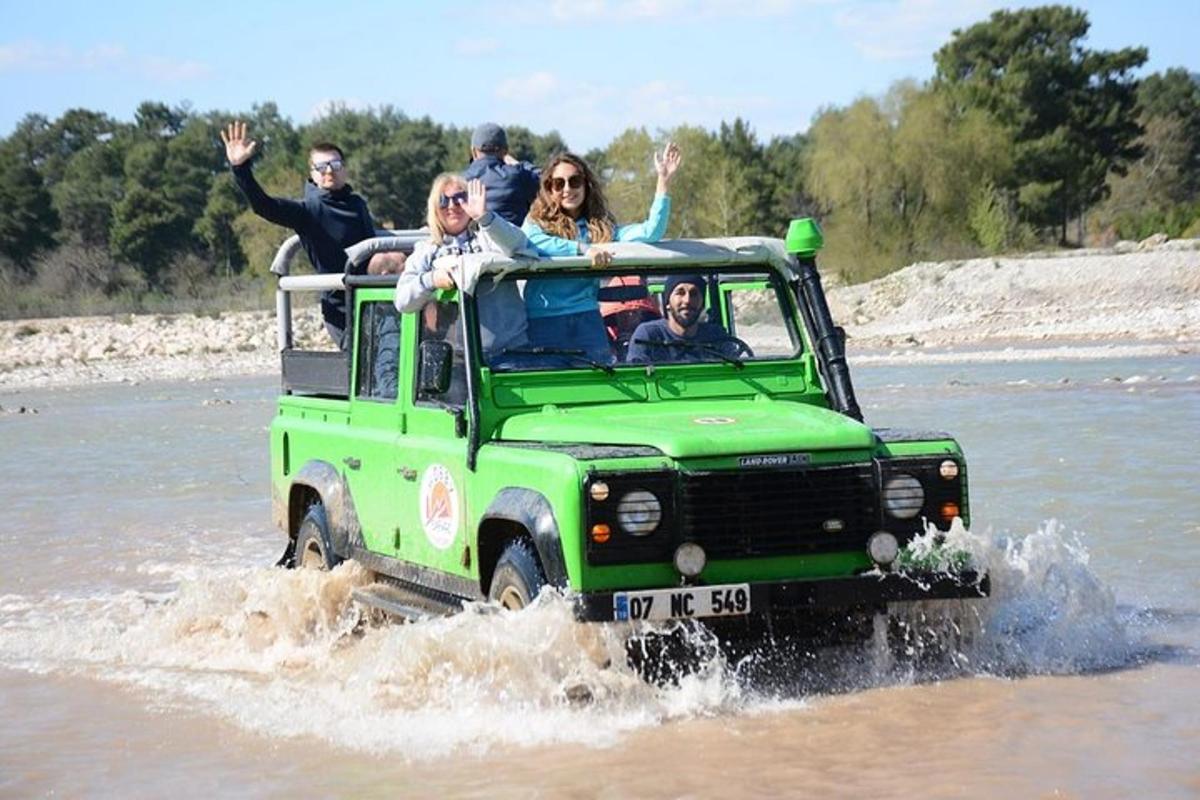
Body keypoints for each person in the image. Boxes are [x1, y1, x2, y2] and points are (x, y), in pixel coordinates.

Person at [521, 144, 682, 363]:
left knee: (602, 383)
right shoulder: (536, 222)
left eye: (575, 181)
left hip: (586, 316)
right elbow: (532, 243)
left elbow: (651, 231)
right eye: (559, 184)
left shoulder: (601, 229)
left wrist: (663, 183)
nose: (567, 189)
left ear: (586, 185)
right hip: (544, 318)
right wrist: (583, 249)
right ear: (549, 189)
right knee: (549, 387)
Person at [221, 121, 376, 348]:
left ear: (345, 168)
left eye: (335, 164)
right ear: (312, 174)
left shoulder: (357, 203)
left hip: (378, 301)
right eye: (321, 167)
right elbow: (264, 206)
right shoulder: (307, 211)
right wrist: (241, 168)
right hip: (343, 309)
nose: (330, 171)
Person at [393, 174, 534, 366]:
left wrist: (484, 216)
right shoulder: (426, 251)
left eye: (461, 199)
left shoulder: (489, 235)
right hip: (457, 360)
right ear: (434, 208)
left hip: (511, 352)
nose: (452, 206)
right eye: (443, 200)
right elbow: (402, 302)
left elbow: (519, 244)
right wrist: (431, 280)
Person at [626, 274, 748, 364]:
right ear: (667, 302)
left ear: (702, 304)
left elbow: (735, 372)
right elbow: (636, 381)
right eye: (680, 293)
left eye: (694, 294)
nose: (687, 301)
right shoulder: (648, 335)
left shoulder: (716, 336)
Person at [462, 123, 540, 226]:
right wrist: (519, 164)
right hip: (514, 239)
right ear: (505, 151)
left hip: (476, 240)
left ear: (473, 151)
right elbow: (549, 181)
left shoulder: (461, 180)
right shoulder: (518, 175)